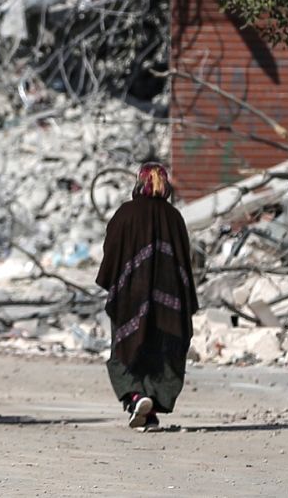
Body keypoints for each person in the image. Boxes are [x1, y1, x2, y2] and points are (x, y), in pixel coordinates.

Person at [95, 162, 198, 432]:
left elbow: (112, 251)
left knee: (126, 349)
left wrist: (117, 280)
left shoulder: (126, 214)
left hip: (131, 298)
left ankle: (136, 397)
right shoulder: (174, 217)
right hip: (169, 303)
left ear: (140, 183)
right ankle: (149, 409)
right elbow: (184, 263)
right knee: (162, 354)